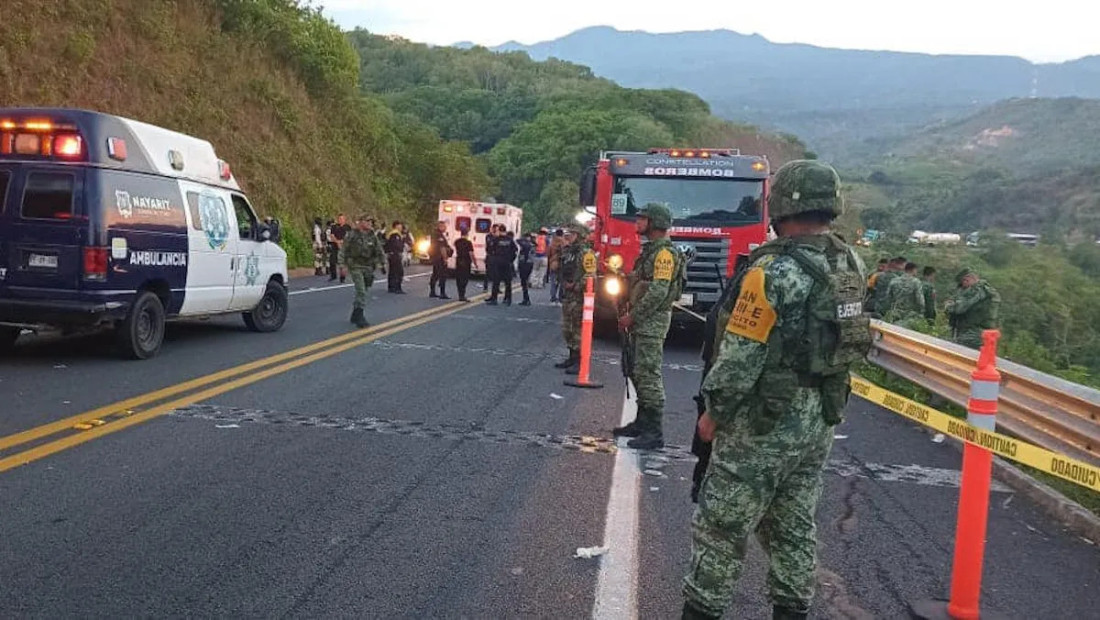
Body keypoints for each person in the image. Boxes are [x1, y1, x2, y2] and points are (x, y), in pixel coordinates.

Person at [683, 160, 871, 620]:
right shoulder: (850, 262)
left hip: (764, 420)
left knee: (721, 527)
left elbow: (742, 354)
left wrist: (713, 413)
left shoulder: (773, 271)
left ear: (782, 204)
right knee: (793, 525)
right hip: (820, 415)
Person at [611, 203, 684, 450]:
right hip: (642, 321)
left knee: (648, 375)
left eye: (642, 219)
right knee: (637, 371)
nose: (637, 223)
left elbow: (658, 291)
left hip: (651, 323)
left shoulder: (664, 254)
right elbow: (643, 281)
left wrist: (634, 317)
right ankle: (641, 423)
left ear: (655, 223)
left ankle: (654, 432)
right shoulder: (652, 251)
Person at [339, 215, 384, 328]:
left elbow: (379, 250)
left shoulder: (372, 236)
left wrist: (383, 263)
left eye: (371, 221)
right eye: (367, 221)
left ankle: (355, 312)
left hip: (368, 267)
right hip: (355, 266)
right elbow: (343, 250)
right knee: (361, 291)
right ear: (360, 222)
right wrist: (342, 266)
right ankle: (360, 316)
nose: (369, 223)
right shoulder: (352, 235)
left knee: (365, 289)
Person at [553, 227, 586, 371]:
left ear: (578, 235)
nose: (568, 237)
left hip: (578, 297)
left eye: (571, 234)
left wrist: (576, 285)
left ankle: (579, 361)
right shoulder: (567, 252)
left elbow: (591, 275)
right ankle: (572, 357)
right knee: (568, 329)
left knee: (578, 329)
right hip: (567, 295)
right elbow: (559, 267)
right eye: (568, 234)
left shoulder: (586, 253)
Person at [945, 267, 1000, 349]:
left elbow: (959, 308)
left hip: (972, 334)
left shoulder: (976, 290)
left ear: (967, 279)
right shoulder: (986, 290)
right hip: (983, 335)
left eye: (962, 283)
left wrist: (949, 305)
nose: (962, 288)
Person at [428, 220, 452, 299]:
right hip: (439, 258)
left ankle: (432, 291)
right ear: (440, 226)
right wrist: (445, 258)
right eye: (444, 226)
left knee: (435, 274)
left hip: (435, 257)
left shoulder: (436, 234)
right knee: (442, 275)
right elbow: (442, 248)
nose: (445, 228)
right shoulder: (439, 235)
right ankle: (442, 293)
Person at [454, 227, 476, 302]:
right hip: (466, 261)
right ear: (467, 234)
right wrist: (475, 263)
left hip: (459, 260)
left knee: (459, 278)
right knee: (465, 278)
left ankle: (460, 294)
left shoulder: (456, 241)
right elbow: (471, 254)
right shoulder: (468, 243)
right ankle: (462, 295)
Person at [385, 220, 407, 294]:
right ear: (396, 226)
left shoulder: (391, 234)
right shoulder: (395, 234)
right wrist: (402, 247)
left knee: (392, 271)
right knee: (399, 272)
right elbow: (396, 245)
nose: (401, 227)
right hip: (395, 255)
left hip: (391, 255)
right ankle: (397, 287)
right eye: (400, 225)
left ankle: (391, 287)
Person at [328, 214, 351, 283]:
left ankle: (342, 277)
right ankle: (333, 276)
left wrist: (342, 242)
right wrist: (337, 242)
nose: (340, 220)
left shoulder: (347, 227)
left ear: (344, 219)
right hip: (335, 246)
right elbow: (332, 235)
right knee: (332, 261)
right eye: (339, 219)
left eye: (342, 219)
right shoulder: (334, 227)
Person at [516, 232, 536, 305]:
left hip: (525, 263)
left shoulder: (527, 245)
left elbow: (518, 241)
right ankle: (526, 298)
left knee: (524, 281)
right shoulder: (533, 244)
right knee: (525, 281)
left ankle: (526, 299)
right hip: (530, 263)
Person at [548, 228, 566, 302]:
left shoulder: (552, 242)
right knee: (562, 282)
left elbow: (548, 253)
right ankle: (561, 297)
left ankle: (553, 296)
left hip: (553, 263)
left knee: (553, 281)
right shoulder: (565, 243)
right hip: (562, 264)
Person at [483, 224, 499, 292]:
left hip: (496, 256)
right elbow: (489, 244)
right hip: (490, 255)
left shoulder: (498, 237)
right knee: (488, 273)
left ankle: (496, 288)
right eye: (496, 229)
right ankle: (485, 287)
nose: (497, 230)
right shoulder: (489, 236)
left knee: (497, 273)